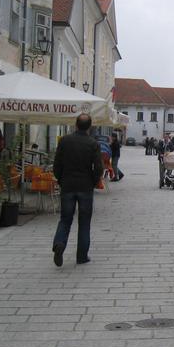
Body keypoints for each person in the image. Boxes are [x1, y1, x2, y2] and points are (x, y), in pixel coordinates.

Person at [52, 113, 104, 267]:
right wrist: (93, 182)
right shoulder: (92, 143)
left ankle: (60, 243)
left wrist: (61, 179)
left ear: (75, 125)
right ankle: (81, 256)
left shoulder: (64, 141)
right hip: (85, 187)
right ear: (89, 126)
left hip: (67, 185)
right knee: (84, 222)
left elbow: (57, 165)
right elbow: (99, 168)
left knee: (65, 219)